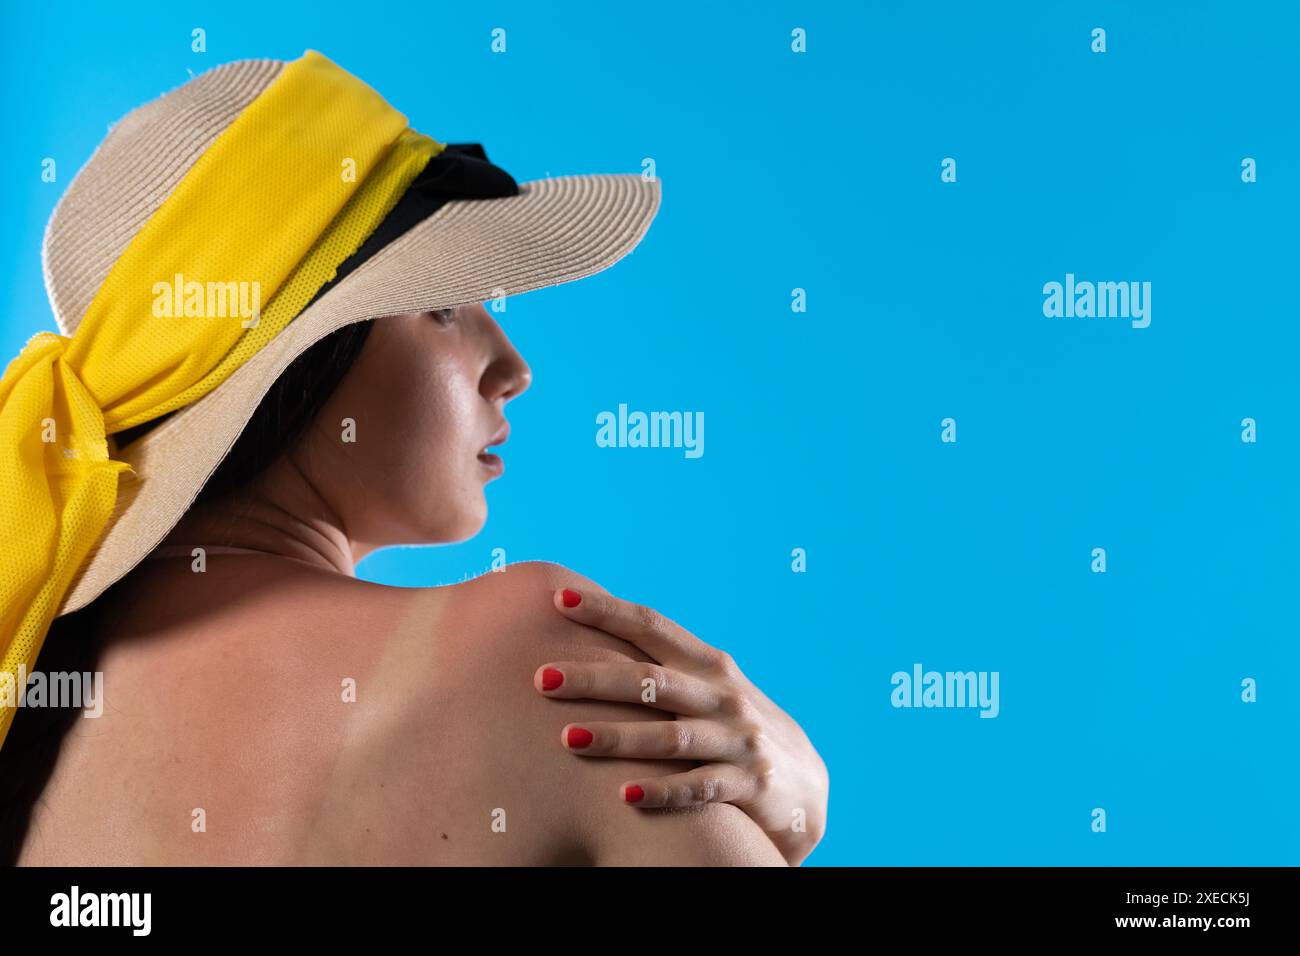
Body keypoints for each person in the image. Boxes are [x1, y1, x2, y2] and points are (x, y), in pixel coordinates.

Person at [0, 52, 828, 866]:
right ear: (301, 357)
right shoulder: (546, 667)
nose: (512, 368)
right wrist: (795, 805)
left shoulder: (30, 707)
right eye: (441, 306)